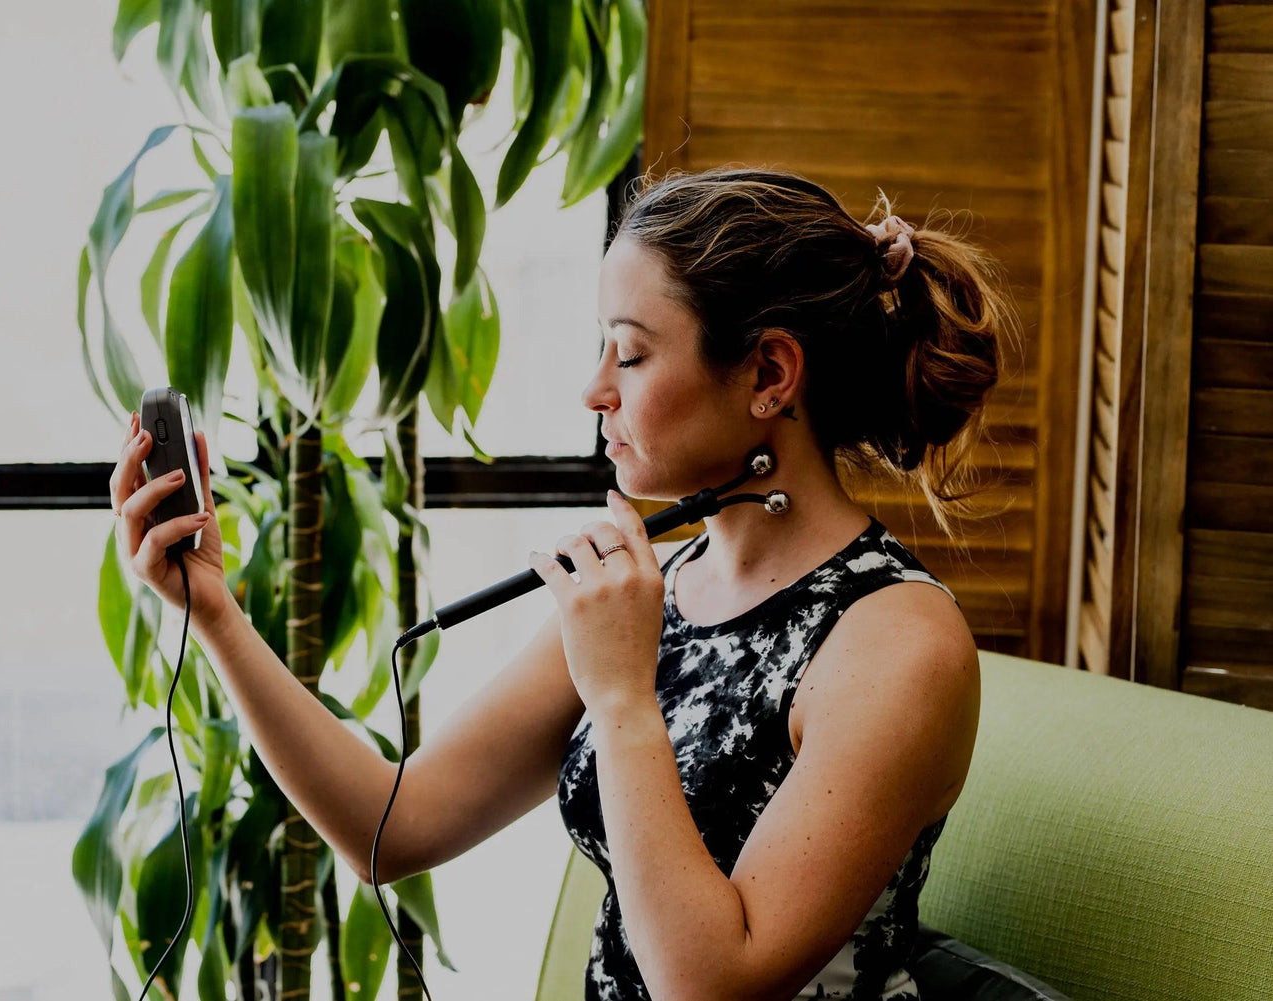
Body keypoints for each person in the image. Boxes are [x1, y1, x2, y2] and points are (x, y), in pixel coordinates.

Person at [108, 163, 1018, 1000]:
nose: (594, 391)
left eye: (629, 352)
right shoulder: (653, 588)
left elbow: (713, 985)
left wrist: (623, 698)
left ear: (769, 374)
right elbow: (394, 826)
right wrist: (217, 615)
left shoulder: (899, 645)